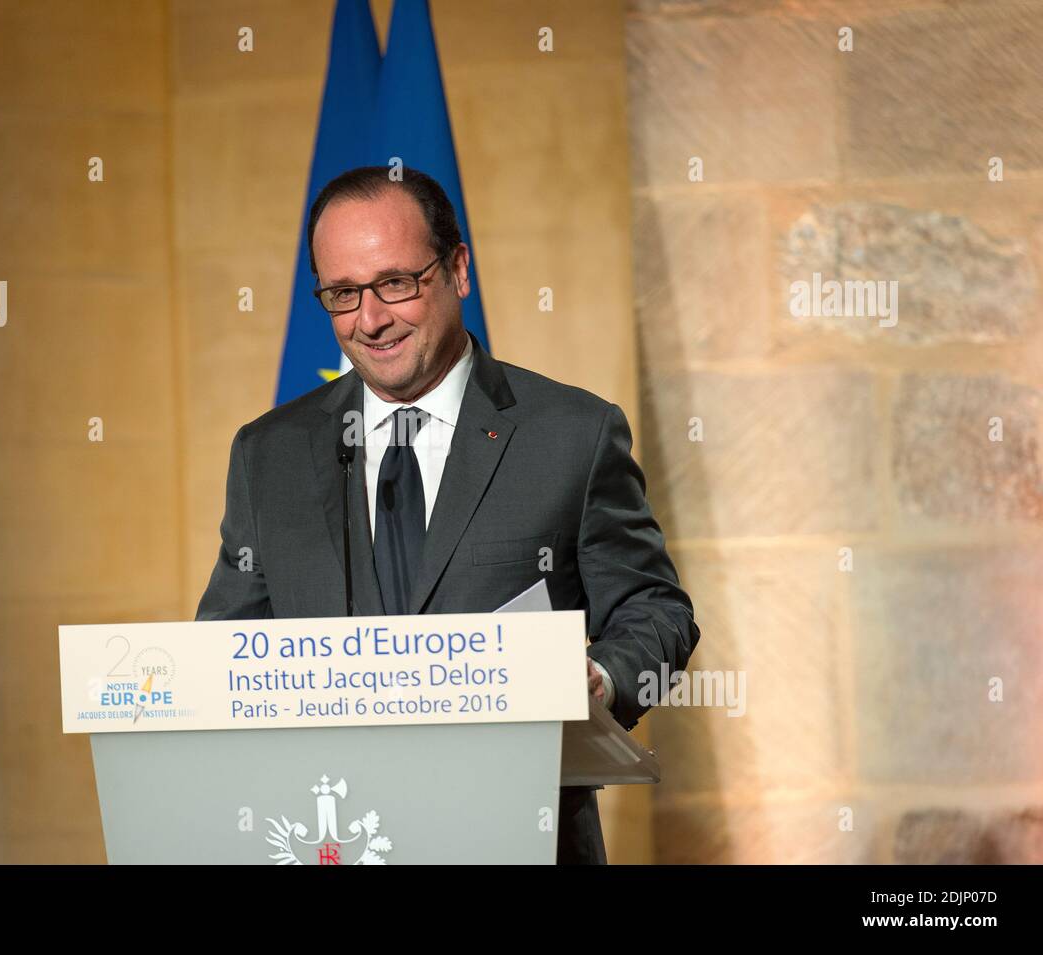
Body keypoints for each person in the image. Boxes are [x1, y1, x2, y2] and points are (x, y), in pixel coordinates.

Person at [196, 165, 701, 864]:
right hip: (337, 838)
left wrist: (601, 680)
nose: (370, 319)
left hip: (522, 836)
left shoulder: (572, 434)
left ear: (459, 269)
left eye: (396, 283)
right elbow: (225, 651)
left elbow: (656, 609)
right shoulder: (267, 455)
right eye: (343, 293)